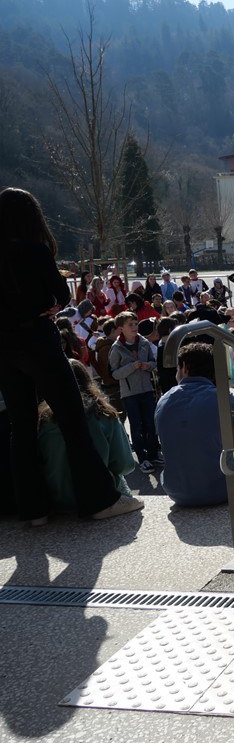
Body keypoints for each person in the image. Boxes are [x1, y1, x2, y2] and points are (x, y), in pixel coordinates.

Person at [0, 187, 135, 524]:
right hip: (37, 340)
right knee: (72, 418)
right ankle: (98, 500)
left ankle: (33, 509)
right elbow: (60, 293)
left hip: (4, 346)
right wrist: (48, 303)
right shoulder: (35, 250)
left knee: (21, 425)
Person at [37, 359, 142, 515]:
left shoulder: (43, 420)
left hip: (56, 499)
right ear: (88, 381)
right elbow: (125, 465)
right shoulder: (104, 414)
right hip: (99, 497)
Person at [155, 340, 234, 506]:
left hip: (176, 491)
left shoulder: (164, 400)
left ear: (185, 368)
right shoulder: (223, 397)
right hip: (221, 490)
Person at [108, 310, 159, 473]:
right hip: (130, 394)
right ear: (121, 328)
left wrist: (148, 366)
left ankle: (153, 454)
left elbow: (153, 362)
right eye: (130, 324)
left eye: (135, 323)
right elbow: (114, 373)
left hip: (147, 389)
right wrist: (131, 367)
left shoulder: (143, 342)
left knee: (151, 423)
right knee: (136, 427)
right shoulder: (116, 348)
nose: (134, 326)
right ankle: (142, 459)